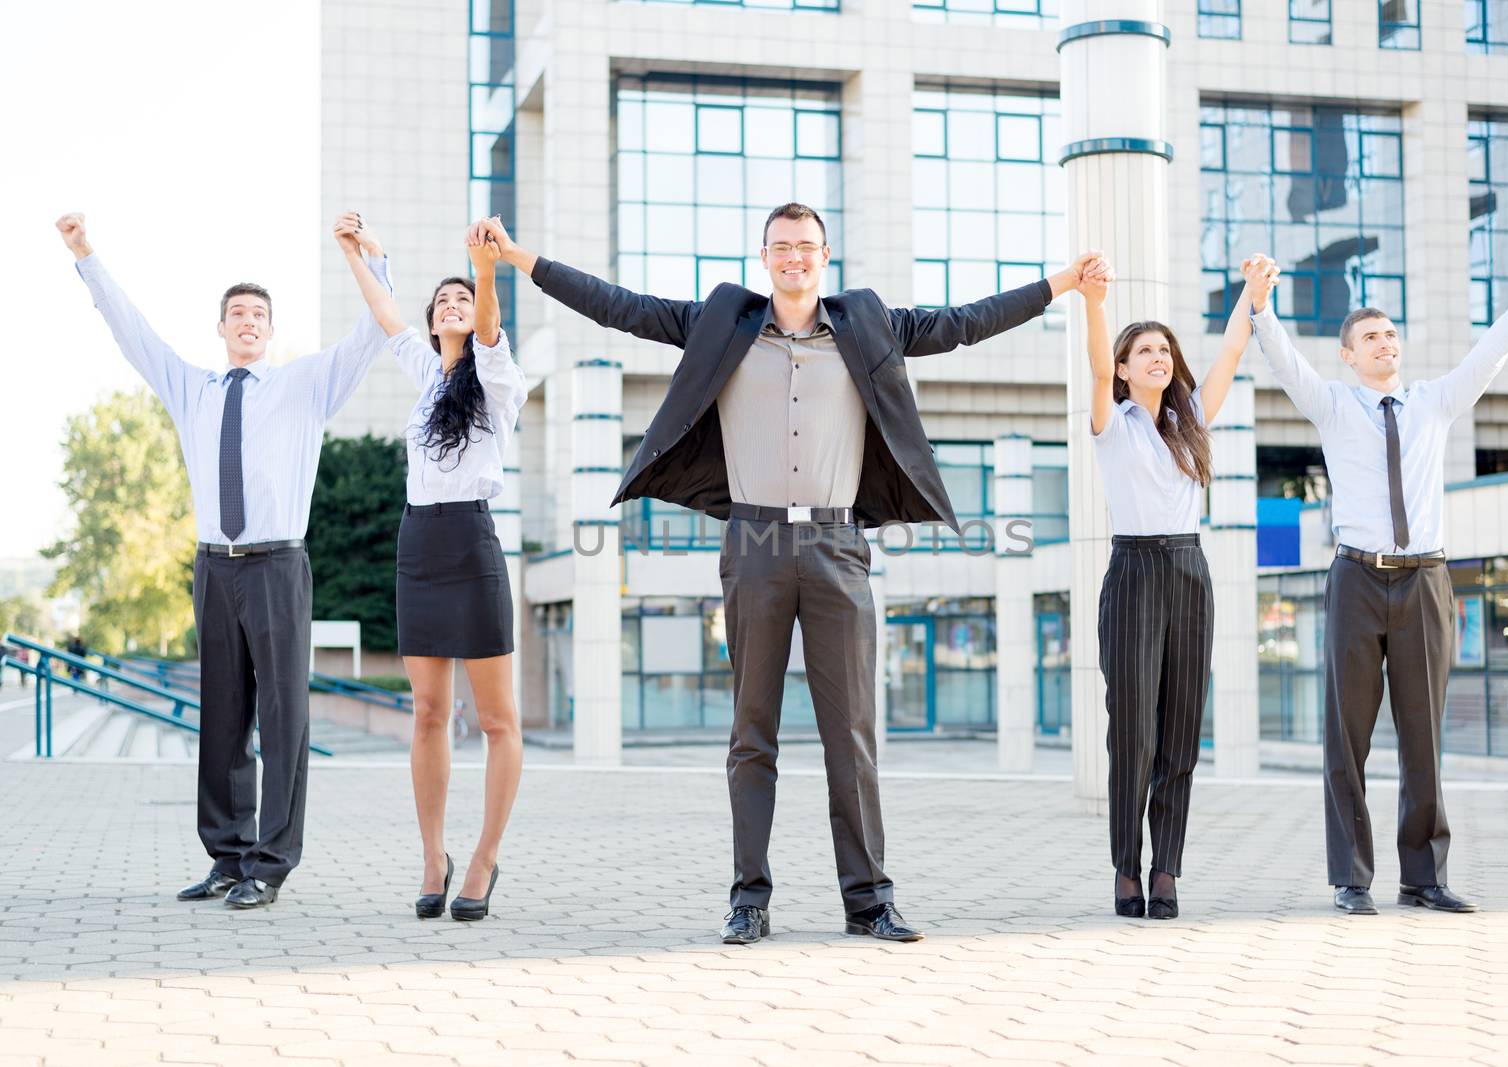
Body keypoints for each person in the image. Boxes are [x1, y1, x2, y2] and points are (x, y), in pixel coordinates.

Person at [469, 205, 1104, 944]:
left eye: (806, 246)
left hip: (838, 546)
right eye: (782, 247)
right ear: (763, 255)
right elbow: (622, 308)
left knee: (852, 733)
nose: (794, 257)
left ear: (825, 255)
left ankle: (869, 901)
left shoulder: (869, 325)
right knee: (751, 732)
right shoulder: (724, 321)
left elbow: (966, 320)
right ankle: (749, 898)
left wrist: (1064, 283)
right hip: (755, 541)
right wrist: (517, 257)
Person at [57, 211, 394, 909]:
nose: (247, 321)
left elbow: (371, 334)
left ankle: (270, 863)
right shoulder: (194, 390)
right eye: (236, 312)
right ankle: (228, 854)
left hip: (276, 565)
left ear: (269, 329)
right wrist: (86, 254)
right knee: (222, 716)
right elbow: (132, 332)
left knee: (283, 717)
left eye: (258, 313)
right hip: (215, 567)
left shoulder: (305, 384)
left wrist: (371, 260)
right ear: (221, 327)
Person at [1244, 250, 1508, 915]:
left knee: (1423, 738)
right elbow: (1281, 361)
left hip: (1424, 580)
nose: (1385, 343)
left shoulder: (1434, 403)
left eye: (1391, 334)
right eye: (1371, 337)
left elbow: (1493, 351)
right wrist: (1259, 304)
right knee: (1348, 736)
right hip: (1357, 580)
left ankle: (1423, 877)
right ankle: (1351, 879)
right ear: (1348, 355)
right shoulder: (1332, 406)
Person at [336, 215, 526, 921]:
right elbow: (385, 313)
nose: (450, 306)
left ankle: (484, 856)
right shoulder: (423, 374)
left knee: (497, 719)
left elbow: (485, 321)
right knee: (427, 713)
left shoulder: (497, 376)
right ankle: (432, 854)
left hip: (471, 544)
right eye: (439, 301)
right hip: (418, 544)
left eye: (460, 301)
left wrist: (482, 270)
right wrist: (354, 253)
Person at [1077, 257, 1256, 920]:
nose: (1157, 356)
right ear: (1126, 367)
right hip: (1133, 574)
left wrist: (1252, 294)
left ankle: (1168, 868)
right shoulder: (1111, 423)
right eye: (1143, 349)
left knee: (1181, 730)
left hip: (1189, 572)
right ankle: (1127, 867)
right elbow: (1096, 369)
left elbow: (1233, 348)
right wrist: (1095, 303)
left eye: (1164, 348)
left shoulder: (1191, 423)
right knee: (1133, 732)